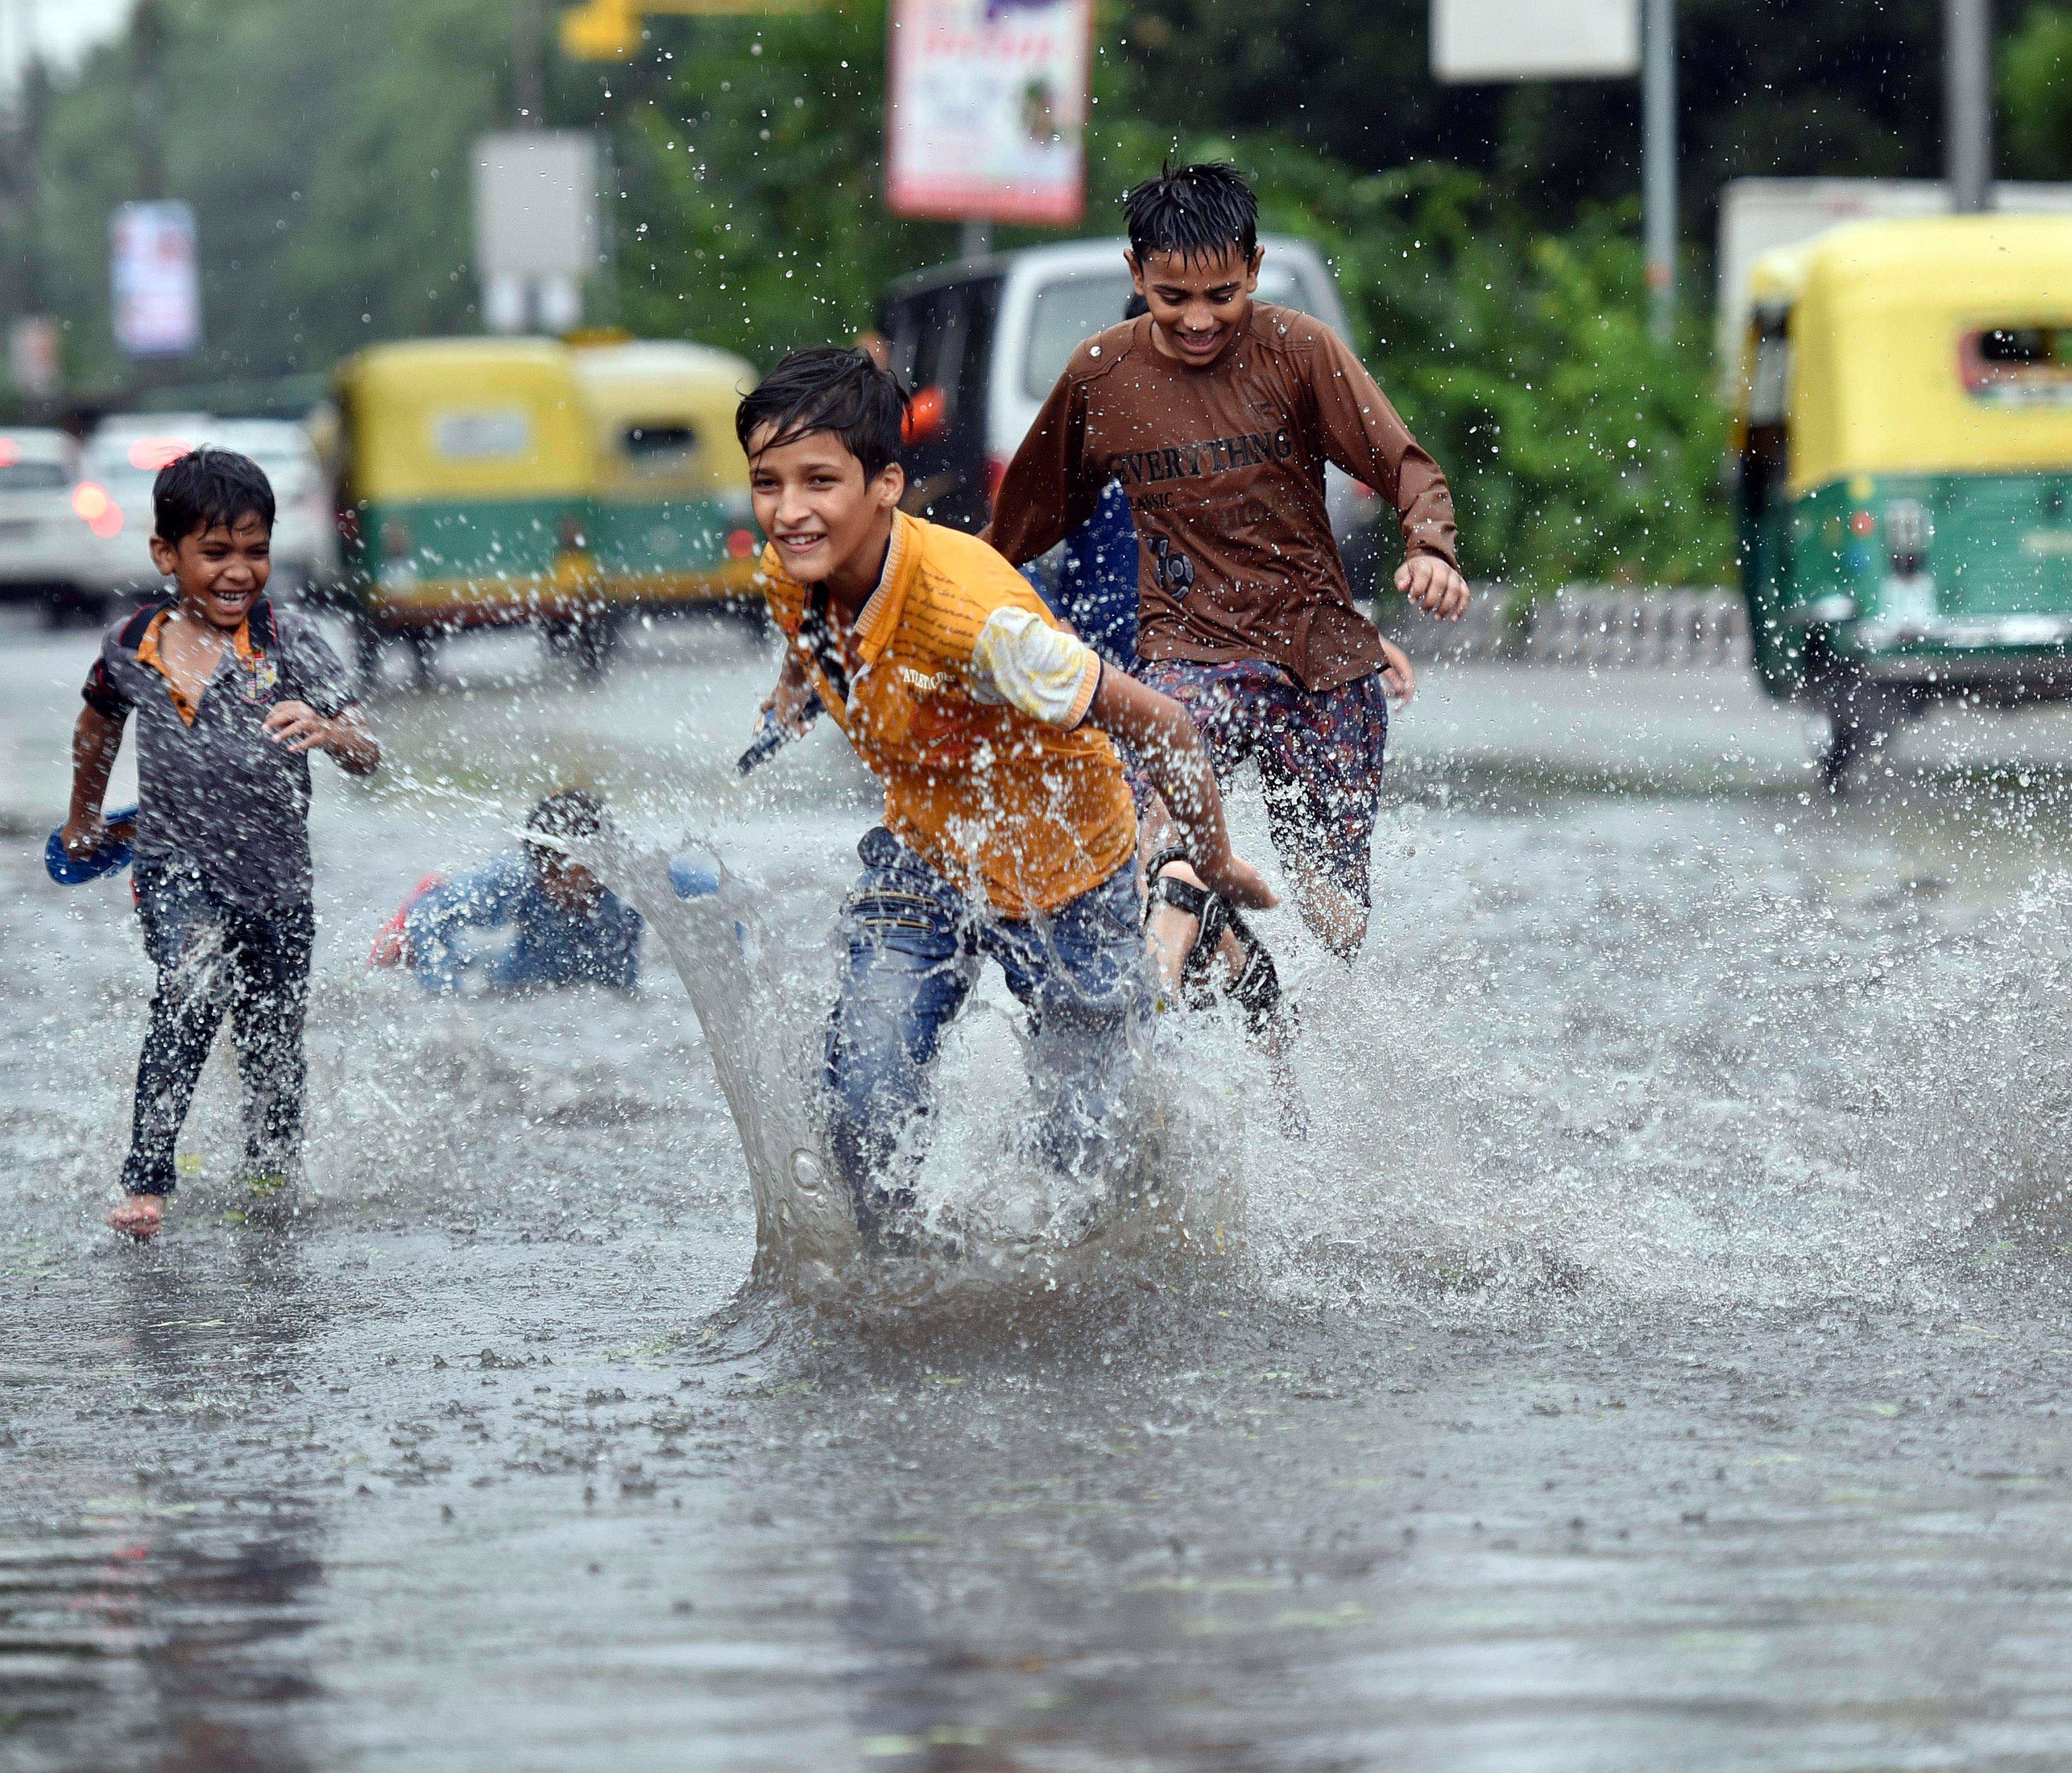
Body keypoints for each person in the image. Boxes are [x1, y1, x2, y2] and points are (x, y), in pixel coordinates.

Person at [738, 346, 1272, 1254]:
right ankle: (898, 1281)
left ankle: (1182, 904)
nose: (789, 511)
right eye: (767, 482)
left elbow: (1165, 725)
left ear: (886, 486)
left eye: (818, 481)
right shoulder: (794, 565)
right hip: (927, 852)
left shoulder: (978, 622)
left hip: (1068, 874)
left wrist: (1217, 855)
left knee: (1091, 1164)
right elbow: (810, 632)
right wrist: (792, 695)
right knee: (862, 1091)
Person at [986, 161, 1464, 968]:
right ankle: (1172, 928)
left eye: (1222, 295)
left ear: (1254, 268)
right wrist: (937, 596)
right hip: (1189, 654)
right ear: (1137, 274)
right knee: (1157, 833)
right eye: (1174, 298)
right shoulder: (1100, 375)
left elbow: (1407, 469)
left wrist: (1431, 549)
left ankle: (1215, 934)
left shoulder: (1299, 350)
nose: (1200, 319)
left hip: (1320, 661)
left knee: (1336, 923)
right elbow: (1018, 524)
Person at [59, 448, 380, 1240]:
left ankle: (270, 1178)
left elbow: (369, 753)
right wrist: (84, 819)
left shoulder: (289, 640)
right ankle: (147, 1181)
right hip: (173, 867)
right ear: (165, 554)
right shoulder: (132, 644)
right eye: (215, 553)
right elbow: (97, 729)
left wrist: (331, 730)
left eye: (256, 551)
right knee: (192, 983)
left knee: (273, 1041)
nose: (239, 572)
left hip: (279, 885)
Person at [377, 790, 708, 993]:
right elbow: (432, 914)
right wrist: (443, 992)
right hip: (521, 980)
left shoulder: (637, 877)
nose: (553, 885)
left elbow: (720, 902)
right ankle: (421, 906)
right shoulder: (520, 877)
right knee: (443, 951)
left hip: (612, 986)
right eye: (546, 873)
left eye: (563, 873)